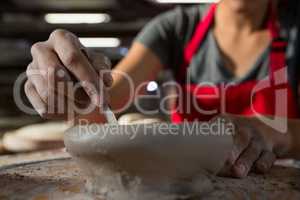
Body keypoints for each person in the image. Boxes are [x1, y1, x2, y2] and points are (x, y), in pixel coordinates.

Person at [24, 0, 300, 178]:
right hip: (188, 189)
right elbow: (105, 100)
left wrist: (277, 132)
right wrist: (75, 80)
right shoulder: (175, 28)